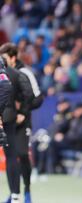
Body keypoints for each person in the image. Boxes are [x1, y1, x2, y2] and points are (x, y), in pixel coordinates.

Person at [0, 43, 34, 203]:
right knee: (12, 155)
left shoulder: (21, 72)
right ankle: (15, 194)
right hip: (9, 117)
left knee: (14, 155)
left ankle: (18, 193)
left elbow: (32, 95)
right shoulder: (14, 73)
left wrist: (23, 112)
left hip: (7, 117)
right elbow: (28, 94)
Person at [49, 103, 82, 173]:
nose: (75, 112)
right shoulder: (73, 118)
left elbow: (80, 136)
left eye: (77, 110)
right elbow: (60, 128)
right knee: (52, 142)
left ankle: (55, 168)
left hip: (77, 145)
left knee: (53, 144)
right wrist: (67, 119)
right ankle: (57, 167)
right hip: (70, 142)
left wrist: (64, 137)